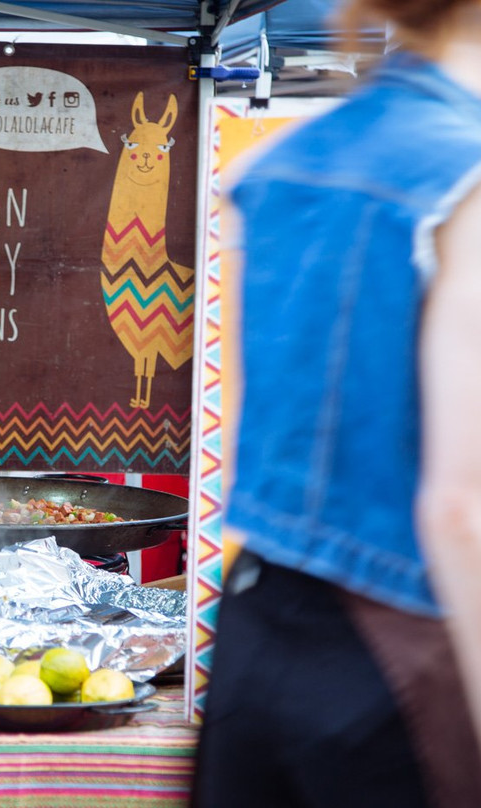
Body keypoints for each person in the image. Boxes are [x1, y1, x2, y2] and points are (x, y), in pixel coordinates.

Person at [192, 2, 481, 806]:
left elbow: (247, 433)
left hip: (256, 642)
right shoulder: (468, 175)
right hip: (398, 657)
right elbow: (462, 508)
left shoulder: (277, 165)